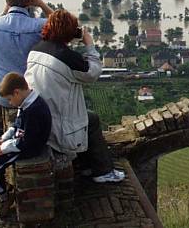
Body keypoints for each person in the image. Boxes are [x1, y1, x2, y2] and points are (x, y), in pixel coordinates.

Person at [25, 10, 124, 183]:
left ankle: (86, 167)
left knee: (87, 118)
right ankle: (103, 172)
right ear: (70, 32)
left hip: (40, 118)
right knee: (91, 119)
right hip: (58, 127)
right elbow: (93, 73)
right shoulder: (67, 57)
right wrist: (89, 44)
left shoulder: (36, 49)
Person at [0, 0, 53, 141]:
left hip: (4, 95)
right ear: (29, 2)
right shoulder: (39, 25)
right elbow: (65, 27)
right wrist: (40, 4)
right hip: (31, 95)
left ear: (7, 1)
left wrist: (6, 10)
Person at [0, 72, 52, 217]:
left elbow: (27, 142)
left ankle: (3, 196)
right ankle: (2, 183)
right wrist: (3, 139)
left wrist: (4, 148)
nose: (9, 103)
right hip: (21, 140)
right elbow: (17, 124)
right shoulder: (26, 102)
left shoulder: (34, 110)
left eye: (9, 99)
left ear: (16, 92)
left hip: (29, 148)